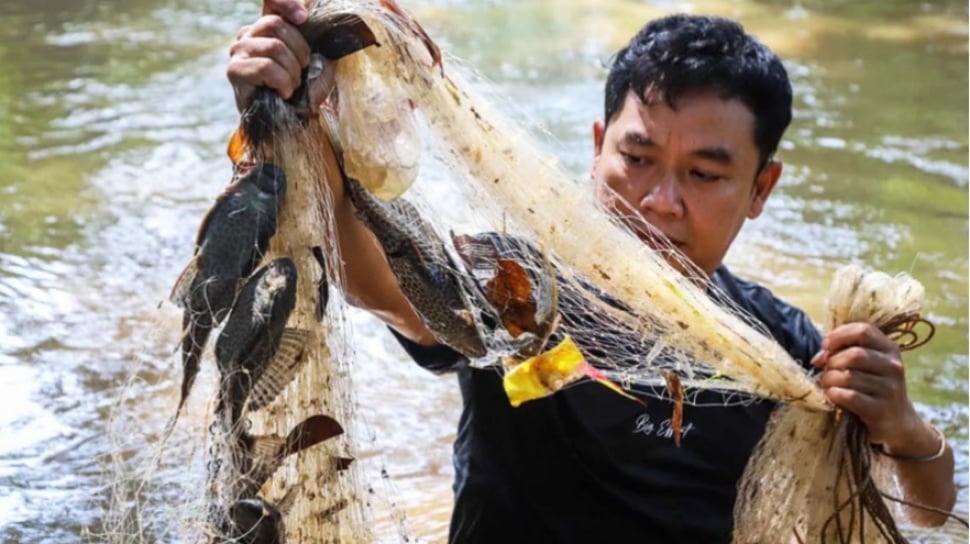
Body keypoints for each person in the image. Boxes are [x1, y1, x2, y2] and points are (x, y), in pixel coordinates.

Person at [227, 3, 957, 542]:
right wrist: (296, 118)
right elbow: (374, 281)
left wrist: (902, 425)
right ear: (598, 147)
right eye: (637, 159)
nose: (659, 202)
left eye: (705, 174)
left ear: (761, 189)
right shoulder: (517, 288)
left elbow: (927, 510)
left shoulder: (784, 352)